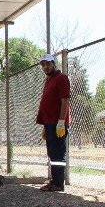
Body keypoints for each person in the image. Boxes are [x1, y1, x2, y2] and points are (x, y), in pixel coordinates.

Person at [35, 53, 70, 192]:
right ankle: (54, 181)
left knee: (58, 153)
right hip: (49, 123)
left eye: (48, 64)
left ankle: (58, 183)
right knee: (52, 153)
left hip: (57, 123)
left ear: (54, 64)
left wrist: (61, 122)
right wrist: (45, 124)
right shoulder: (49, 80)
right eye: (43, 64)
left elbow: (65, 100)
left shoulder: (61, 78)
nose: (45, 66)